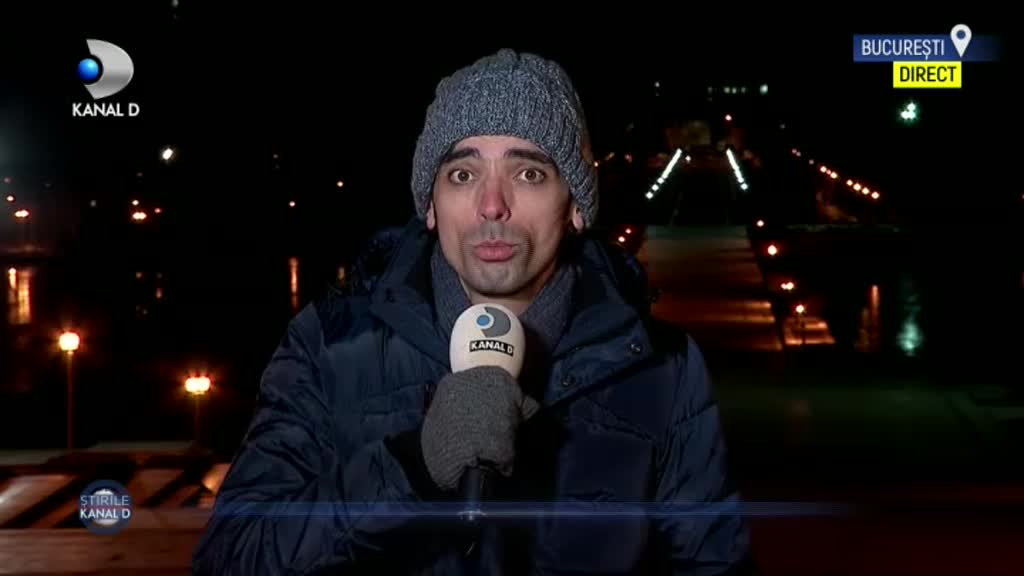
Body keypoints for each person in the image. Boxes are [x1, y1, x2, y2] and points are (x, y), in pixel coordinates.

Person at [192, 48, 751, 575]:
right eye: (463, 174)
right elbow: (230, 556)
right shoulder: (327, 346)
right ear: (431, 205)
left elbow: (714, 563)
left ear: (576, 207)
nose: (491, 205)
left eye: (528, 173)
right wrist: (410, 469)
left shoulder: (663, 369)